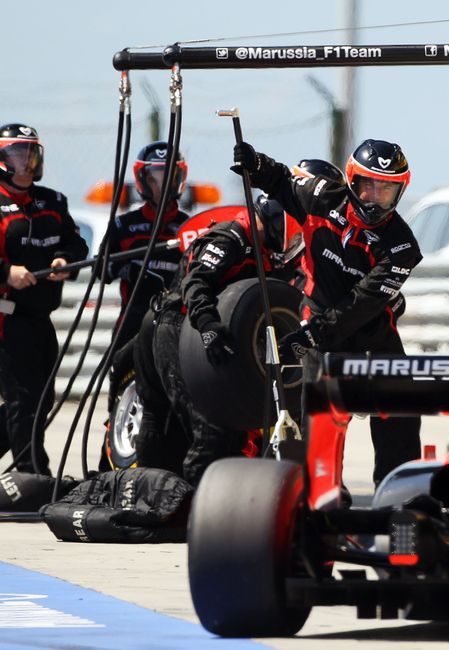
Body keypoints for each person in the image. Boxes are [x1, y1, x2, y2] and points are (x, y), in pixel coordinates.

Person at [233, 140, 423, 485]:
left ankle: (400, 489)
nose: (375, 198)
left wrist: (312, 334)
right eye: (369, 187)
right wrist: (256, 163)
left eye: (386, 190)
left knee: (401, 405)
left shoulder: (403, 247)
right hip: (318, 319)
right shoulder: (320, 195)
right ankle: (321, 490)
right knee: (319, 415)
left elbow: (361, 304)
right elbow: (280, 180)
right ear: (352, 181)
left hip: (371, 330)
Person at [135, 192, 300, 484]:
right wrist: (208, 324)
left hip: (205, 334)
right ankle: (192, 507)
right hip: (177, 325)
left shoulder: (265, 252)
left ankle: (219, 500)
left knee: (233, 426)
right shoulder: (230, 239)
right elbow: (195, 282)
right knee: (210, 427)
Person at [0, 123, 89, 474]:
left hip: (40, 316)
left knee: (42, 398)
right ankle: (30, 471)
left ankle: (27, 468)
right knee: (23, 397)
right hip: (6, 316)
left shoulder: (53, 201)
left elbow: (77, 243)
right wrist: (6, 273)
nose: (26, 161)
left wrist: (65, 261)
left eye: (31, 153)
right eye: (18, 153)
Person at [103, 142, 190, 349]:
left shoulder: (189, 227)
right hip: (134, 315)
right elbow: (101, 270)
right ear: (142, 179)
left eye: (168, 176)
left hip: (176, 319)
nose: (161, 185)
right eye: (154, 178)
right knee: (118, 371)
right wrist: (128, 269)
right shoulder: (123, 225)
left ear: (179, 178)